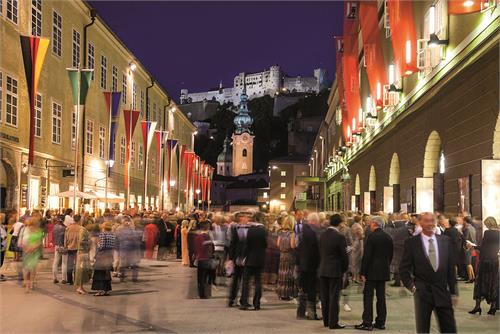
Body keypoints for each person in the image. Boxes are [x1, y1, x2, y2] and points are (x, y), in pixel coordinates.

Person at [399, 212, 458, 333]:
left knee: (449, 328)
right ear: (420, 223)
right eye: (426, 221)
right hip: (422, 292)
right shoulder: (411, 243)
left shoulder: (445, 241)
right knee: (423, 329)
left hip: (442, 291)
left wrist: (454, 292)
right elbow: (404, 268)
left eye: (432, 221)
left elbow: (450, 268)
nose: (430, 224)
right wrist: (412, 286)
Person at [355, 216, 393, 331]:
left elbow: (367, 256)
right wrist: (386, 266)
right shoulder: (388, 237)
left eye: (371, 223)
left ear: (375, 224)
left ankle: (367, 322)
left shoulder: (372, 237)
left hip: (371, 271)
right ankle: (381, 322)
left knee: (368, 297)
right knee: (381, 298)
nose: (369, 225)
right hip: (383, 271)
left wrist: (363, 272)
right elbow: (390, 255)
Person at [319, 214, 349, 330]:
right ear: (340, 223)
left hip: (323, 269)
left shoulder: (322, 235)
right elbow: (344, 256)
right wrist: (344, 269)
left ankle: (326, 321)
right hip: (335, 270)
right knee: (334, 297)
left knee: (325, 297)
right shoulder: (340, 237)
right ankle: (333, 322)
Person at [469, 216, 499, 315]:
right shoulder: (499, 233)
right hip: (494, 261)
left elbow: (483, 248)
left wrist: (473, 246)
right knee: (493, 282)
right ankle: (493, 307)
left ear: (488, 224)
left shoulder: (487, 233)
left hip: (485, 261)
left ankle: (478, 306)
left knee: (480, 282)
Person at [296, 212, 321, 320]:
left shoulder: (302, 232)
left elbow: (297, 248)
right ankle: (311, 313)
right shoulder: (315, 232)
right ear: (315, 221)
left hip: (302, 264)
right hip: (312, 265)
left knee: (302, 288)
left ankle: (300, 313)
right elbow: (317, 250)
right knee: (312, 289)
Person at [240, 216, 267, 310]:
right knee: (258, 282)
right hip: (260, 259)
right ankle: (257, 304)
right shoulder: (264, 231)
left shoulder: (250, 231)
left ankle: (244, 303)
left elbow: (247, 245)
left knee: (246, 282)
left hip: (250, 259)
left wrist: (244, 257)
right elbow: (265, 245)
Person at [227, 210, 251, 307]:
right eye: (244, 217)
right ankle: (232, 299)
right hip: (237, 257)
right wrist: (231, 258)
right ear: (240, 219)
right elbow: (232, 244)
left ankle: (243, 301)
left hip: (246, 257)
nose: (247, 219)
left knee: (245, 280)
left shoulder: (250, 229)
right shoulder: (235, 229)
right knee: (236, 280)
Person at [20, 214, 44, 293]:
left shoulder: (38, 231)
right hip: (28, 251)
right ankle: (28, 285)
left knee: (32, 268)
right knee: (28, 269)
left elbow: (39, 242)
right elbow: (22, 241)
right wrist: (27, 249)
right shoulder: (27, 230)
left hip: (33, 251)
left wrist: (31, 248)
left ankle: (31, 283)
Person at [276, 215, 297, 300]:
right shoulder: (292, 234)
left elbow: (277, 244)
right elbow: (292, 246)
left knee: (282, 274)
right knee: (288, 274)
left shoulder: (281, 232)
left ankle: (281, 293)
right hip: (289, 256)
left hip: (282, 255)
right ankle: (287, 294)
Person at [92, 222, 116, 296]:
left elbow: (101, 246)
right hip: (109, 255)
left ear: (104, 227)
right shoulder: (112, 235)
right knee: (106, 273)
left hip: (102, 255)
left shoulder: (103, 234)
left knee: (99, 273)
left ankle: (100, 290)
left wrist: (97, 244)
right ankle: (106, 290)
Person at [193, 221, 214, 299]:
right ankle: (204, 293)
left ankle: (200, 293)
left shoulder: (197, 237)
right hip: (206, 258)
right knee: (205, 277)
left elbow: (194, 248)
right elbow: (209, 248)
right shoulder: (207, 237)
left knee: (200, 277)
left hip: (199, 258)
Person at [74, 220, 91, 294]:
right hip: (82, 252)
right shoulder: (83, 230)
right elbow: (81, 241)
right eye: (90, 223)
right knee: (81, 270)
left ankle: (81, 287)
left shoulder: (84, 230)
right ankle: (79, 287)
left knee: (84, 270)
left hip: (84, 251)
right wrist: (89, 242)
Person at [52, 216, 66, 284]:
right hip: (63, 246)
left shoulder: (54, 227)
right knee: (64, 262)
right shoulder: (65, 228)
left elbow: (53, 236)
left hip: (57, 245)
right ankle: (63, 278)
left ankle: (55, 277)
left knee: (55, 262)